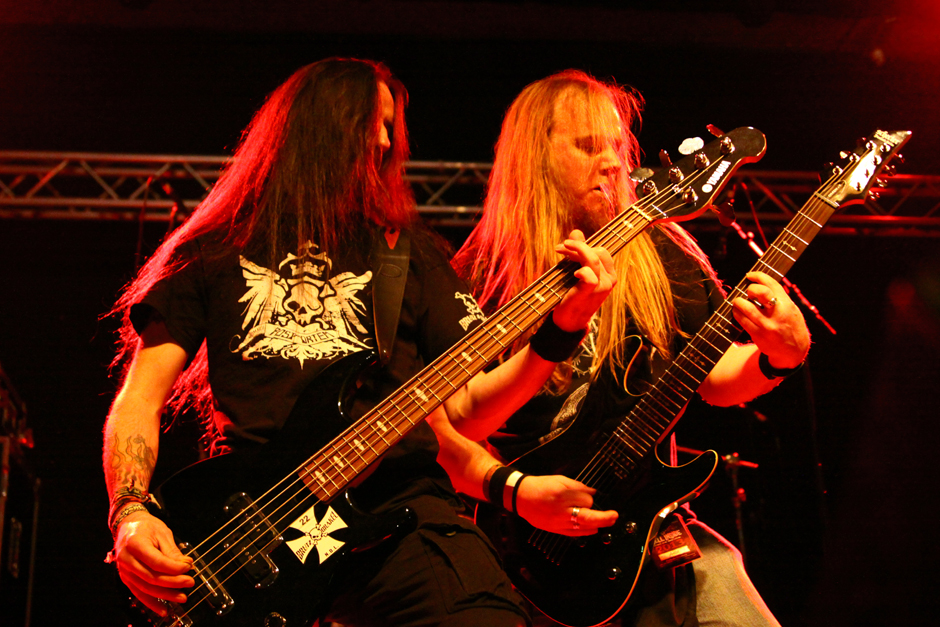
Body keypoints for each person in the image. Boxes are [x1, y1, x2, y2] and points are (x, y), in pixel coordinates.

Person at [102, 58, 619, 627]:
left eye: (391, 126)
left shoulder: (408, 253)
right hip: (258, 526)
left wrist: (561, 331)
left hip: (398, 512)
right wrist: (130, 512)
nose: (386, 141)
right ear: (316, 124)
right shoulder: (214, 249)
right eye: (372, 121)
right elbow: (139, 399)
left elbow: (469, 408)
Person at [439, 70, 811, 626]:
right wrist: (521, 493)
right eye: (589, 146)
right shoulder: (476, 274)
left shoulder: (659, 249)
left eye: (616, 146)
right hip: (519, 544)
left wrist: (779, 356)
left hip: (647, 524)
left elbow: (714, 378)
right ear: (536, 155)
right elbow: (456, 426)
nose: (612, 163)